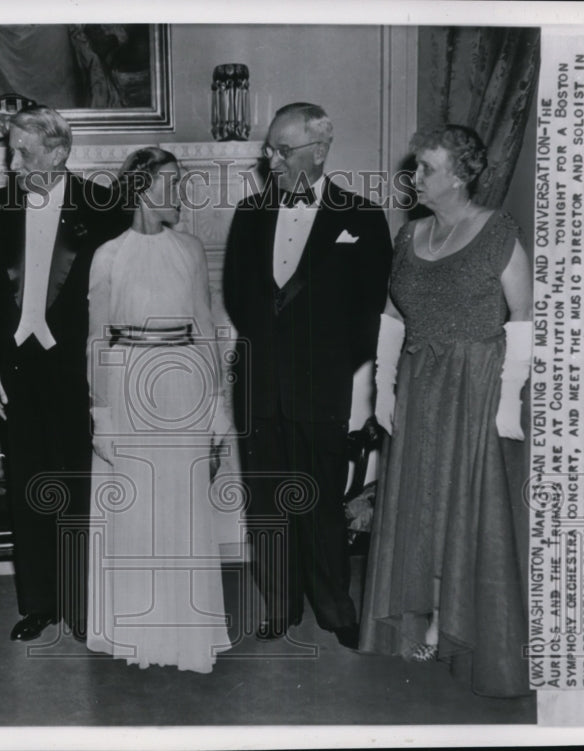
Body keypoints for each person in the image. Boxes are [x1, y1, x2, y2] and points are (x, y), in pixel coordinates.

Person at [359, 124, 533, 698]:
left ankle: (453, 624)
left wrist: (508, 400)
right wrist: (383, 389)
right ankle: (429, 612)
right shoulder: (409, 236)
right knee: (424, 505)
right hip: (420, 382)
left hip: (476, 385)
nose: (415, 178)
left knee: (465, 507)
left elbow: (524, 321)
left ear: (458, 175)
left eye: (425, 168)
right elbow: (391, 315)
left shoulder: (498, 231)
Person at [222, 102, 393, 648]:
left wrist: (337, 370)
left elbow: (372, 308)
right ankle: (280, 604)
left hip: (323, 387)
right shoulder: (249, 213)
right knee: (267, 500)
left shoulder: (362, 217)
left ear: (319, 151)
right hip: (260, 386)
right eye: (269, 147)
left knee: (321, 499)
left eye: (282, 149)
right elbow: (236, 294)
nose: (269, 158)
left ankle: (334, 607)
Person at [0, 105, 125, 642]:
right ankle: (38, 602)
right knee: (29, 483)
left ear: (58, 153)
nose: (12, 163)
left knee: (79, 487)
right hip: (15, 368)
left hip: (77, 368)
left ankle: (82, 603)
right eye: (11, 150)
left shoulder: (105, 207)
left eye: (23, 152)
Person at [85, 147, 235, 673]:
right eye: (169, 182)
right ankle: (136, 630)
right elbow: (97, 340)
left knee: (182, 507)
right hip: (127, 390)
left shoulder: (191, 249)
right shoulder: (107, 256)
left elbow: (207, 328)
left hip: (183, 389)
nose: (178, 192)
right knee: (134, 513)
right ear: (141, 188)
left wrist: (217, 406)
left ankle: (182, 633)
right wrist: (101, 414)